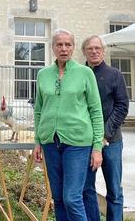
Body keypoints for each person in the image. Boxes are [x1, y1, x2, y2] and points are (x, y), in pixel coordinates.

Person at [33, 28, 104, 221]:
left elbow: (96, 112)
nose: (64, 48)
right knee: (58, 198)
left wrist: (97, 147)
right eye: (59, 44)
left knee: (72, 198)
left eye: (68, 44)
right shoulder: (43, 74)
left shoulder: (85, 73)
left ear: (73, 48)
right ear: (53, 47)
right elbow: (39, 109)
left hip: (78, 143)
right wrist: (37, 141)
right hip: (49, 142)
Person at [82, 35, 129, 221]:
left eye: (97, 48)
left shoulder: (115, 75)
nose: (94, 51)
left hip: (111, 142)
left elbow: (122, 106)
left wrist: (104, 134)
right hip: (84, 141)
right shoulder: (79, 75)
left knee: (114, 190)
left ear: (104, 51)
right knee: (87, 189)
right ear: (84, 52)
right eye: (90, 48)